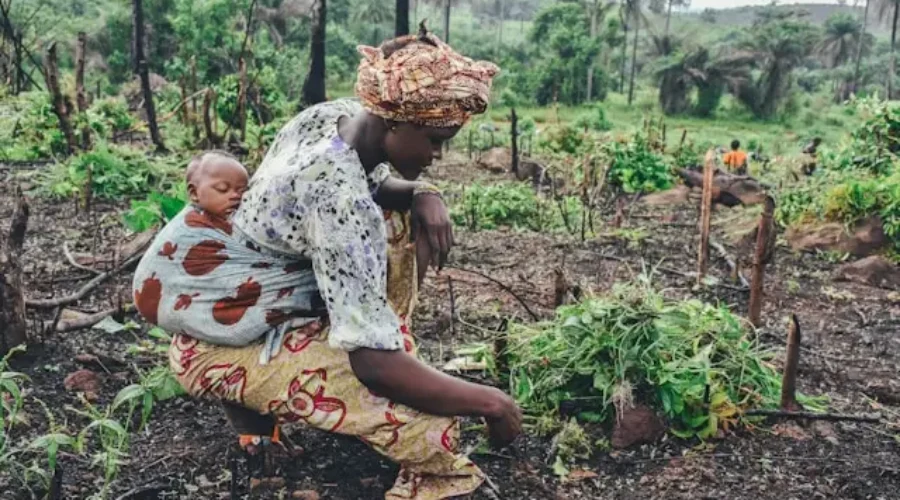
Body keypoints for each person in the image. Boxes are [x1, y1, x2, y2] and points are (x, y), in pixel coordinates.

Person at [135, 25, 522, 499]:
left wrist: (422, 191)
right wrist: (491, 403)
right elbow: (373, 366)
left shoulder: (333, 117)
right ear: (394, 121)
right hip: (217, 342)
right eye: (435, 140)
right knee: (435, 428)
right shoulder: (338, 198)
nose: (438, 155)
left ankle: (347, 354)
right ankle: (256, 398)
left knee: (400, 219)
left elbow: (375, 182)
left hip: (247, 299)